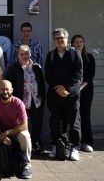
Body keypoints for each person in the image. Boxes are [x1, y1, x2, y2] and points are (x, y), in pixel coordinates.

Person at [45, 28, 83, 161]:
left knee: (73, 122)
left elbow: (78, 74)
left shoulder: (75, 53)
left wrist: (64, 87)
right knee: (55, 122)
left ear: (67, 39)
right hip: (55, 95)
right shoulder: (51, 55)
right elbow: (48, 75)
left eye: (62, 37)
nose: (60, 40)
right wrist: (58, 88)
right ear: (54, 40)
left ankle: (75, 147)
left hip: (71, 95)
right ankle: (57, 145)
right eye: (57, 38)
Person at [6, 44, 45, 154]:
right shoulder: (13, 68)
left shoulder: (37, 67)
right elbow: (9, 85)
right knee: (22, 125)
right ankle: (23, 145)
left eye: (26, 53)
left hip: (36, 101)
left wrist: (42, 97)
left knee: (37, 123)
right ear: (18, 56)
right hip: (21, 102)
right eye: (22, 54)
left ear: (30, 54)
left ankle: (35, 143)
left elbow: (41, 83)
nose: (24, 56)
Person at [0, 80, 32, 179]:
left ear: (12, 90)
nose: (5, 92)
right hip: (2, 132)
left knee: (25, 136)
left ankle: (26, 165)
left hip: (16, 131)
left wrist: (7, 133)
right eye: (2, 89)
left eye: (7, 89)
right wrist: (2, 135)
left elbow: (24, 126)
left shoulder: (18, 103)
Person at [71, 34, 95, 152]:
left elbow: (90, 76)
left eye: (81, 42)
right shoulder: (70, 57)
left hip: (86, 91)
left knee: (85, 116)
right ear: (72, 44)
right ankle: (75, 143)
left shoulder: (89, 57)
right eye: (76, 42)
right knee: (74, 118)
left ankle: (87, 142)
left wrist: (80, 87)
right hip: (72, 92)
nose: (79, 44)